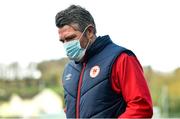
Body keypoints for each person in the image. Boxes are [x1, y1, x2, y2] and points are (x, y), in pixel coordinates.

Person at [55, 5, 153, 118]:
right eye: (63, 41)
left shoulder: (121, 59)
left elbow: (141, 107)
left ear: (90, 32)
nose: (67, 45)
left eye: (71, 38)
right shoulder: (69, 70)